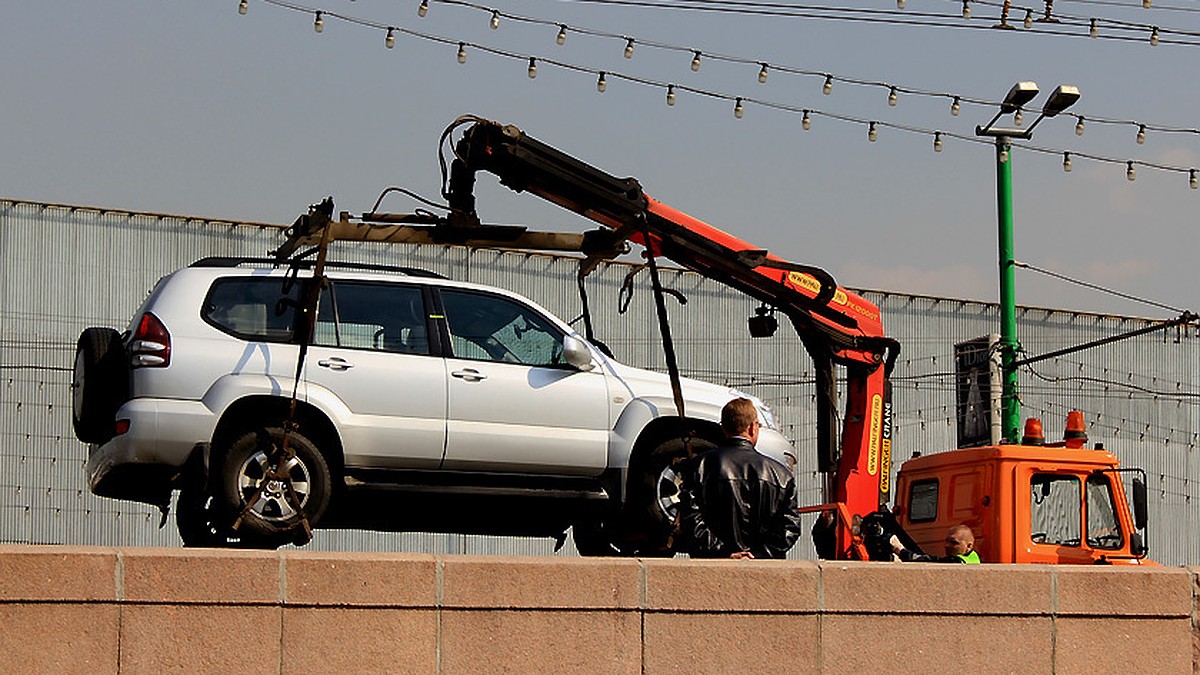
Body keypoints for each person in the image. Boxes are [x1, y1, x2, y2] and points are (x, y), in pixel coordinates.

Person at [680, 397, 803, 559]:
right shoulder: (781, 475)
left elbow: (691, 521)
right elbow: (789, 528)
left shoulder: (698, 467)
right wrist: (758, 554)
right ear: (752, 427)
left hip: (712, 569)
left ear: (723, 428)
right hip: (765, 571)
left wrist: (724, 552)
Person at [891, 524, 981, 564]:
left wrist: (900, 550)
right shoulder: (973, 557)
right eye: (946, 541)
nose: (947, 545)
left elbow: (929, 561)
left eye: (954, 542)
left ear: (969, 546)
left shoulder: (956, 561)